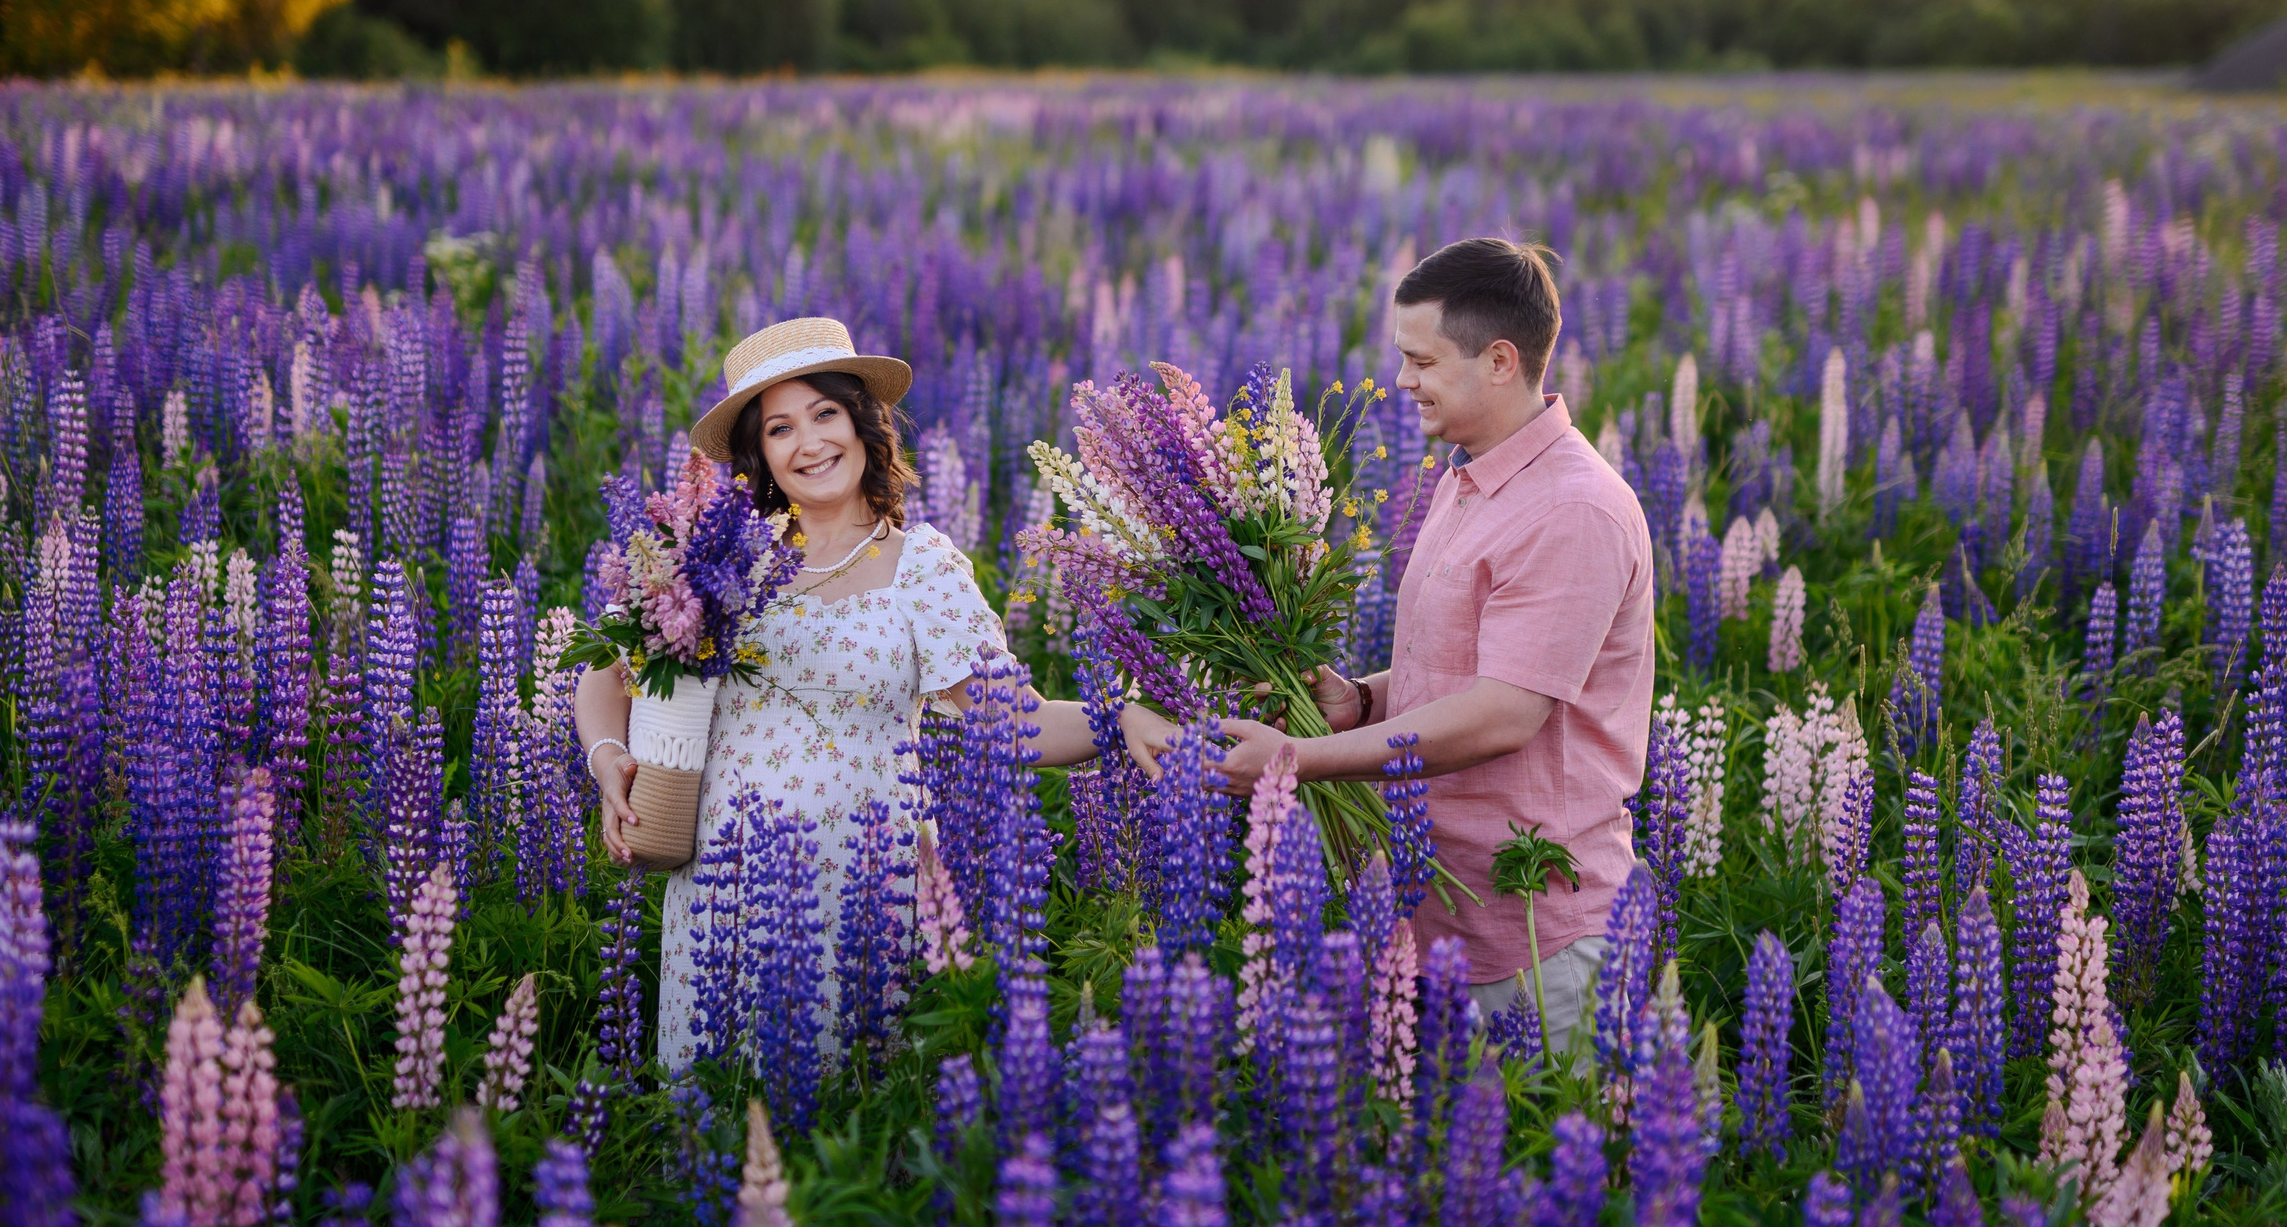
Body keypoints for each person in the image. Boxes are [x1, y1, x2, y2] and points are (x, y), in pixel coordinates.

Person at [573, 316, 1169, 1069]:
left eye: (825, 413)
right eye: (780, 427)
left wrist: (1118, 717)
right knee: (720, 1127)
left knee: (850, 1120)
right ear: (760, 453)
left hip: (866, 896)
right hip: (724, 896)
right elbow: (602, 671)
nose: (810, 442)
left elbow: (1007, 719)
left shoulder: (921, 564)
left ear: (862, 422)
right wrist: (606, 759)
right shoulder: (722, 557)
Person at [1206, 238, 1655, 1054]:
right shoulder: (1469, 477)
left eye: (1422, 360)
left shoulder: (1574, 509)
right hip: (1431, 917)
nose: (1402, 381)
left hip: (1534, 938)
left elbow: (1502, 714)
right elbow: (1471, 664)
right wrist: (1364, 698)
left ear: (1499, 361)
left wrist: (1298, 760)